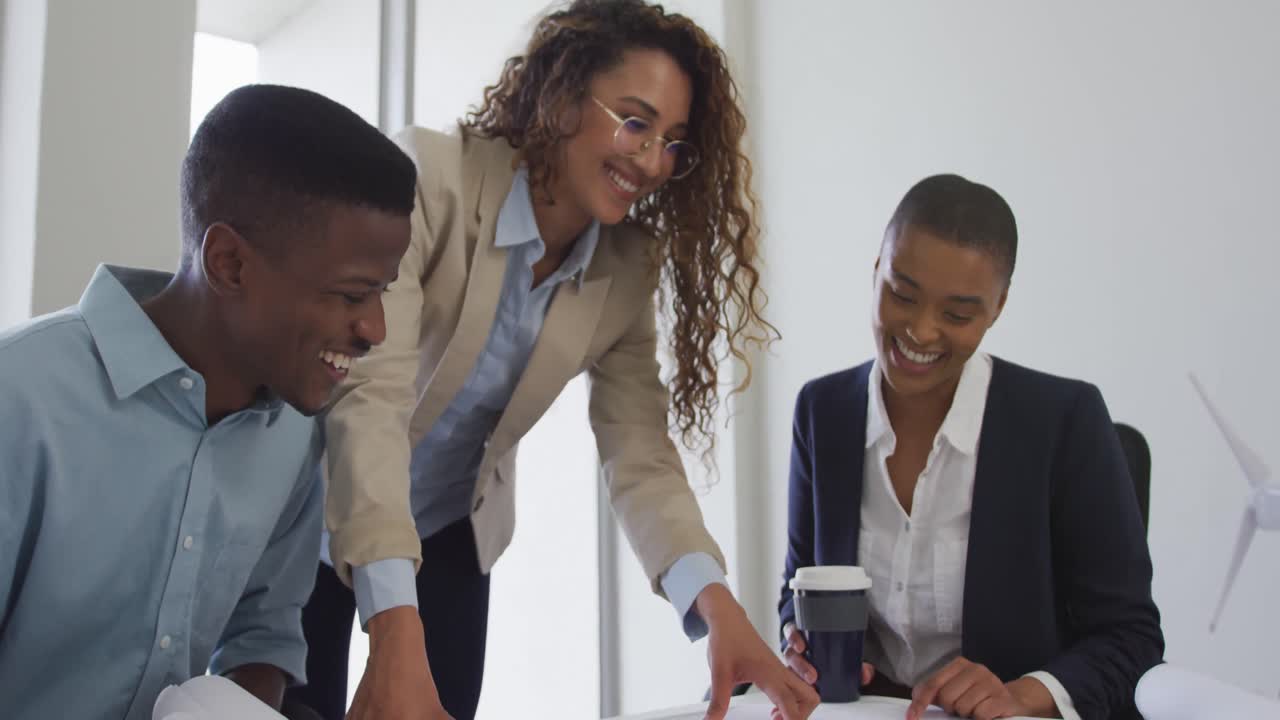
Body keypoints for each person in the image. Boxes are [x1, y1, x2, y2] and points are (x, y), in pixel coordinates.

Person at [285, 2, 818, 719]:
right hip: (314, 512)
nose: (651, 160)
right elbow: (370, 397)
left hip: (449, 530)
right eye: (635, 121)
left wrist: (715, 603)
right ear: (564, 96)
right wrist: (394, 627)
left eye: (673, 143)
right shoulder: (430, 179)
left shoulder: (625, 268)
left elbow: (639, 452)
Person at [0, 84, 415, 719]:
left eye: (383, 291)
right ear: (228, 263)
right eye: (352, 295)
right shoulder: (20, 397)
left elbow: (263, 634)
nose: (376, 329)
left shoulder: (294, 433)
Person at [778, 174, 1164, 720]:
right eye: (901, 294)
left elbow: (1132, 639)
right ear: (876, 269)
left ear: (997, 307)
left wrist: (1021, 694)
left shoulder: (1064, 421)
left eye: (957, 315)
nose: (921, 331)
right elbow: (798, 589)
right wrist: (797, 643)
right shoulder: (823, 411)